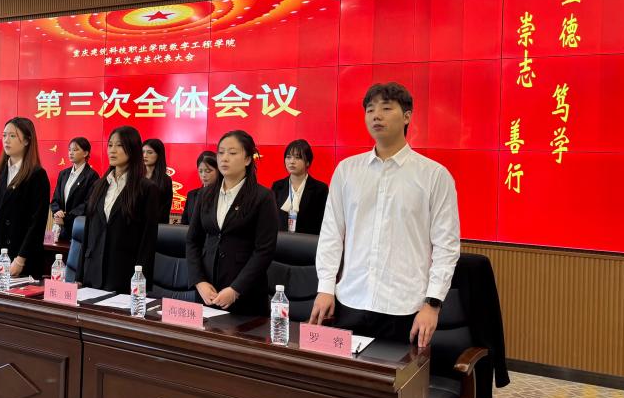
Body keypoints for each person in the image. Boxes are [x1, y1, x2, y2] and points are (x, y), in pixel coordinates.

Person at [309, 82, 460, 351]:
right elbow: (332, 234)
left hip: (405, 307)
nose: (376, 115)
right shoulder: (347, 171)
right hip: (350, 300)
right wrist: (325, 287)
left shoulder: (434, 175)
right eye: (370, 110)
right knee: (344, 374)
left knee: (398, 377)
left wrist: (432, 304)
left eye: (386, 108)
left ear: (407, 116)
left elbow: (446, 246)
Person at [186, 131, 278, 315]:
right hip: (207, 292)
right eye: (221, 152)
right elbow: (193, 240)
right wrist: (199, 281)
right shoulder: (205, 194)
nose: (224, 158)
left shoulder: (263, 197)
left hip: (245, 296)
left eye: (232, 153)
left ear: (248, 159)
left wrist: (236, 289)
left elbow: (264, 250)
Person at [77, 126, 160, 292]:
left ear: (133, 149)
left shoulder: (146, 188)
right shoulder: (98, 185)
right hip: (92, 275)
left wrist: (140, 283)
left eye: (119, 145)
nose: (112, 150)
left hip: (124, 276)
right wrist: (79, 276)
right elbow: (88, 232)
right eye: (110, 145)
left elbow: (147, 241)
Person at [0, 117, 50, 278]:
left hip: (22, 259)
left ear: (27, 141)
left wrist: (20, 259)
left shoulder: (37, 175)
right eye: (4, 135)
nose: (6, 140)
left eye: (13, 136)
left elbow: (37, 223)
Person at [271, 139, 329, 234]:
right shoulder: (277, 186)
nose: (292, 161)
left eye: (297, 158)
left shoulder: (320, 189)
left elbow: (324, 222)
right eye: (288, 157)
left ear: (308, 162)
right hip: (281, 240)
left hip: (308, 240)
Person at [50, 137, 100, 242]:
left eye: (75, 150)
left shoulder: (92, 176)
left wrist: (66, 219)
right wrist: (57, 211)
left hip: (79, 229)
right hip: (60, 229)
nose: (71, 153)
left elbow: (88, 204)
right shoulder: (63, 174)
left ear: (85, 153)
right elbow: (55, 199)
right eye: (69, 149)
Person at [181, 150, 217, 226]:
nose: (203, 175)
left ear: (218, 171)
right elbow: (184, 224)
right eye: (200, 171)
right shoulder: (191, 195)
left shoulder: (223, 195)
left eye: (208, 171)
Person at [143, 138, 173, 223]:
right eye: (143, 152)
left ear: (158, 155)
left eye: (150, 152)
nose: (145, 155)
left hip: (156, 225)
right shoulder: (134, 177)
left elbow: (165, 210)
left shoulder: (166, 180)